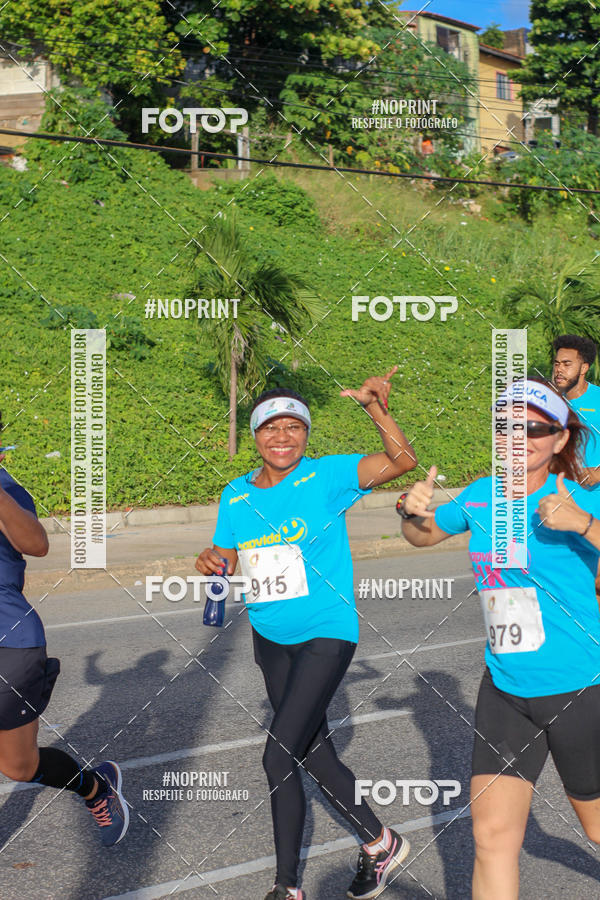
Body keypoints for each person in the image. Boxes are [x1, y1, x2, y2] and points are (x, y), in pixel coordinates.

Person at [196, 368, 416, 900]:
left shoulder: (327, 477)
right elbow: (227, 552)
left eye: (294, 427)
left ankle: (286, 888)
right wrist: (211, 561)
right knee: (310, 753)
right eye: (271, 428)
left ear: (306, 435)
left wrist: (375, 409)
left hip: (327, 630)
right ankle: (380, 842)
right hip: (270, 636)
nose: (282, 438)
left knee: (277, 755)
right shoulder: (235, 494)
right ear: (255, 436)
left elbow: (400, 461)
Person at [398, 378, 600, 900]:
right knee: (491, 838)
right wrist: (409, 512)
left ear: (559, 439)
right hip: (506, 689)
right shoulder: (481, 494)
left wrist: (585, 526)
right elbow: (423, 535)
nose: (521, 436)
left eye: (535, 428)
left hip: (578, 688)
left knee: (598, 829)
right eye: (509, 426)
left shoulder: (579, 495)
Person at [0, 446, 128, 846]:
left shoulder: (7, 489)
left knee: (19, 767)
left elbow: (36, 544)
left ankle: (94, 787)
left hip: (10, 643)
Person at [552, 334, 600, 486]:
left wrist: (594, 475)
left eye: (567, 364)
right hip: (560, 493)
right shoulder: (551, 401)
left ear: (584, 368)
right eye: (557, 364)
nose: (559, 369)